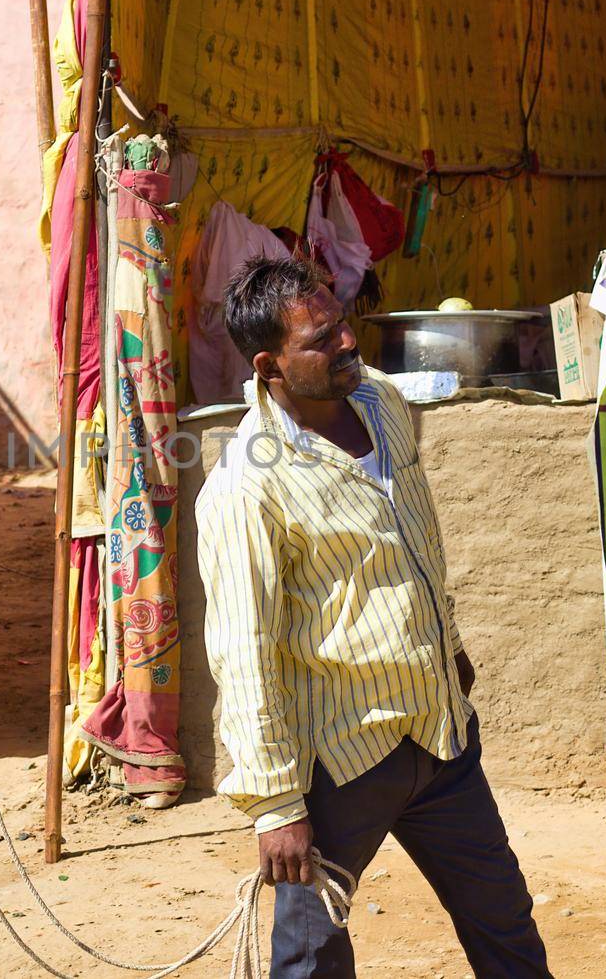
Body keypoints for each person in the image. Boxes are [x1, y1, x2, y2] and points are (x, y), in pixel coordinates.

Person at [195, 255, 551, 978]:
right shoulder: (246, 485)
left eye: (342, 325)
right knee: (312, 958)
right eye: (320, 340)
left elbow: (418, 535)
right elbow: (245, 650)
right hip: (341, 758)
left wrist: (447, 643)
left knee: (504, 921)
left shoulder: (382, 403)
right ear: (270, 365)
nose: (347, 343)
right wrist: (275, 807)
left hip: (439, 732)